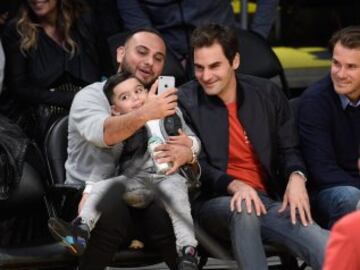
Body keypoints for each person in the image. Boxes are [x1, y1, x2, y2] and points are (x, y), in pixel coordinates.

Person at [178, 23, 329, 270]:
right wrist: (235, 185)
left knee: (324, 244)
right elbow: (195, 165)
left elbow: (289, 149)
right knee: (244, 207)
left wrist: (297, 177)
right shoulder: (185, 101)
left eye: (214, 66)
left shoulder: (267, 94)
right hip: (211, 203)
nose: (205, 76)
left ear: (235, 61)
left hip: (266, 202)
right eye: (199, 67)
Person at [60, 27, 198, 270]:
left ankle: (188, 258)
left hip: (147, 194)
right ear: (120, 53)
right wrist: (147, 112)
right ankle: (79, 233)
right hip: (91, 197)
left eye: (158, 58)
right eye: (142, 52)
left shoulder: (163, 102)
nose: (149, 63)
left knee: (170, 207)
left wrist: (188, 153)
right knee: (111, 208)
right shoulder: (90, 96)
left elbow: (191, 143)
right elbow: (104, 134)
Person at [1, 0, 106, 142]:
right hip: (44, 115)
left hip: (92, 106)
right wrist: (70, 98)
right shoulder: (17, 30)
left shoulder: (84, 19)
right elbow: (19, 87)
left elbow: (106, 67)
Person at [298, 26, 360, 229]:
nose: (340, 74)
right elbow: (322, 171)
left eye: (351, 67)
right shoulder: (315, 101)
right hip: (328, 192)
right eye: (336, 63)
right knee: (351, 196)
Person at [116, 0, 236, 64]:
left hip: (213, 39)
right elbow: (138, 24)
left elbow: (221, 24)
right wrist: (166, 58)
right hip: (162, 48)